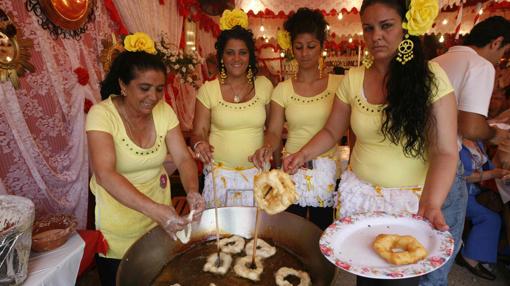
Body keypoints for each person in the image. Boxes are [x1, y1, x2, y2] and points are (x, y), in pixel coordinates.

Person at [283, 0, 457, 285]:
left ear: (406, 27)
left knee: (400, 279)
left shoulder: (432, 78)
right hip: (362, 199)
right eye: (369, 28)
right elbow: (330, 131)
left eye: (386, 26)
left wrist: (432, 202)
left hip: (409, 201)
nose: (376, 35)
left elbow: (446, 151)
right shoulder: (352, 79)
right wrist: (301, 155)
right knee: (365, 278)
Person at [86, 33, 205, 286]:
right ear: (123, 85)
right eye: (144, 88)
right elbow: (105, 174)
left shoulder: (164, 111)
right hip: (119, 224)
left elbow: (184, 158)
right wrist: (156, 211)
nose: (153, 97)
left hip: (160, 221)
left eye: (159, 89)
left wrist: (192, 191)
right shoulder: (101, 115)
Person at [425, 16, 510, 285]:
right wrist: (496, 133)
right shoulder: (480, 65)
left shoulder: (435, 62)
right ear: (496, 42)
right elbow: (471, 126)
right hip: (448, 160)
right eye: (504, 52)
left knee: (422, 233)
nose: (501, 60)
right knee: (443, 241)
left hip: (418, 159)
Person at [251, 8, 344, 230]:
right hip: (292, 172)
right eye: (299, 47)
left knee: (325, 231)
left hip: (327, 172)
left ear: (322, 46)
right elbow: (273, 131)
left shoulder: (339, 85)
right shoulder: (282, 89)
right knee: (292, 232)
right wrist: (267, 147)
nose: (305, 53)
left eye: (311, 46)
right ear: (292, 48)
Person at [191, 9, 274, 208]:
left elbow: (274, 130)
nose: (236, 59)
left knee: (255, 235)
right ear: (221, 56)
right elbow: (198, 132)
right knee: (221, 235)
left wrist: (270, 154)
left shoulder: (264, 85)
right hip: (220, 176)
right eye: (230, 53)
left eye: (242, 52)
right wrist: (199, 144)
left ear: (250, 56)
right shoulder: (208, 90)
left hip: (257, 174)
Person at [457, 139, 509, 280]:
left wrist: (501, 173)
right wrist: (492, 174)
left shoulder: (477, 140)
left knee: (505, 211)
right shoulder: (456, 143)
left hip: (479, 189)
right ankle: (469, 257)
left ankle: (499, 250)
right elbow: (461, 176)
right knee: (491, 218)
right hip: (462, 193)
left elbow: (488, 166)